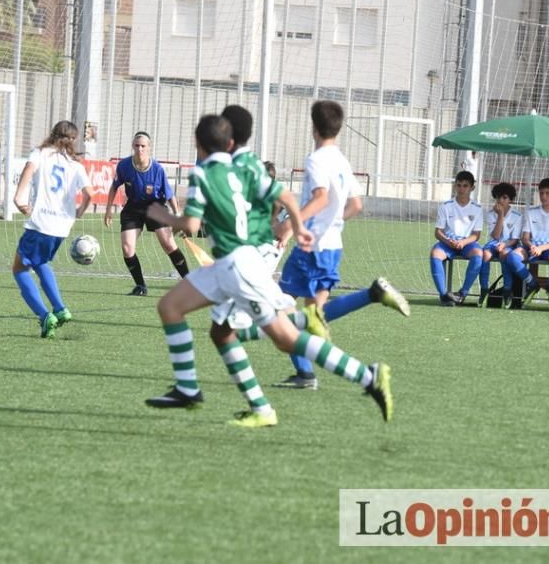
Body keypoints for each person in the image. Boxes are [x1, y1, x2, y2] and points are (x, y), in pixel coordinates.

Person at [143, 113, 393, 428]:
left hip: (239, 269)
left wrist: (161, 216)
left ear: (199, 144)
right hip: (230, 263)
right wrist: (298, 227)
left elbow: (191, 225)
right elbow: (286, 195)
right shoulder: (244, 170)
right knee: (182, 313)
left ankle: (367, 375)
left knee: (287, 339)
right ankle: (196, 390)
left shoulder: (204, 174)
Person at [227, 102, 407, 391]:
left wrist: (293, 225)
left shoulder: (317, 159)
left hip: (312, 248)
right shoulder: (342, 161)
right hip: (332, 246)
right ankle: (306, 374)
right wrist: (333, 223)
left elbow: (321, 198)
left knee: (280, 310)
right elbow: (356, 205)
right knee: (311, 317)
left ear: (313, 126)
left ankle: (371, 295)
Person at [12, 121, 94, 338]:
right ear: (73, 140)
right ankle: (60, 308)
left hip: (41, 223)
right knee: (39, 262)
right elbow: (90, 194)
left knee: (19, 269)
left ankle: (44, 315)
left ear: (52, 134)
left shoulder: (41, 153)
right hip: (62, 228)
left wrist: (18, 199)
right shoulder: (75, 165)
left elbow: (29, 170)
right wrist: (79, 212)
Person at [103, 132, 189, 296]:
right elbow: (114, 187)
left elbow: (170, 196)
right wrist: (108, 210)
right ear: (133, 146)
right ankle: (141, 286)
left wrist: (178, 217)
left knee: (168, 245)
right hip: (133, 207)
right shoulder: (124, 166)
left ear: (149, 147)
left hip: (155, 207)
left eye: (143, 146)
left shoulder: (157, 169)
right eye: (137, 145)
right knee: (127, 248)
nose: (139, 149)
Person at [505, 178, 549, 310]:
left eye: (547, 193)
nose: (544, 196)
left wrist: (541, 248)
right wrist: (531, 246)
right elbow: (525, 238)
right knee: (512, 257)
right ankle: (532, 283)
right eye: (541, 193)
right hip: (532, 247)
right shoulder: (531, 212)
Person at [429, 171, 484, 306]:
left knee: (479, 254)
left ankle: (462, 293)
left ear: (472, 188)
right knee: (435, 253)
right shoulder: (446, 206)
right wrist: (449, 241)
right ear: (455, 186)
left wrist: (463, 242)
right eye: (459, 185)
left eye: (465, 186)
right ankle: (444, 296)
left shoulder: (477, 208)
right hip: (448, 243)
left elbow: (476, 235)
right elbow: (438, 232)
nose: (461, 189)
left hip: (467, 243)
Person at [477, 182, 523, 308]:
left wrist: (504, 245)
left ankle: (507, 290)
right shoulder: (491, 213)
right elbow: (496, 236)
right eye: (498, 197)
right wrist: (500, 216)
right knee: (485, 254)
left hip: (509, 244)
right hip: (495, 242)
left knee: (504, 254)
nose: (501, 200)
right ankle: (484, 289)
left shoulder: (517, 216)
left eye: (504, 198)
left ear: (510, 200)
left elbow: (514, 239)